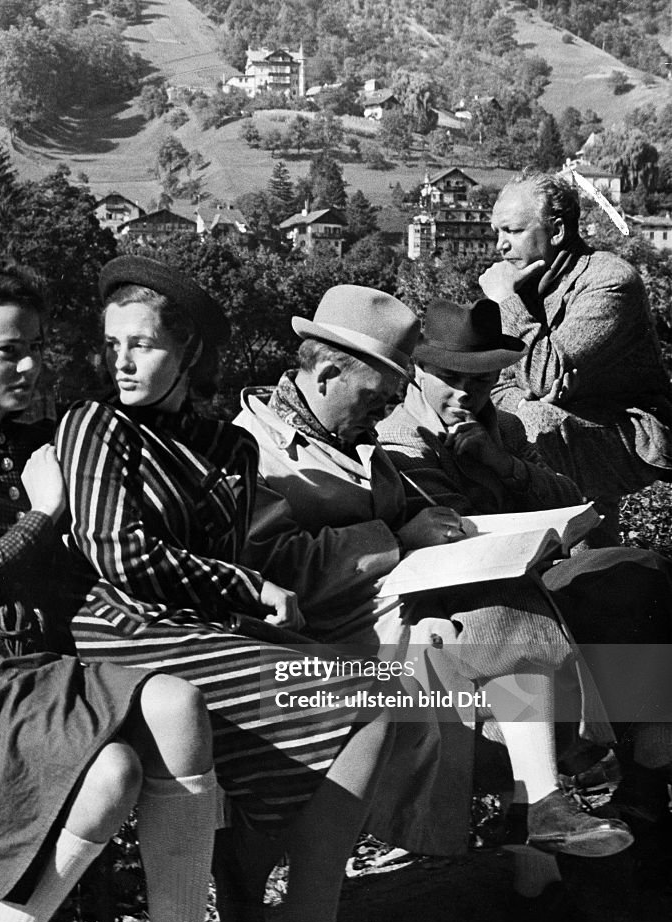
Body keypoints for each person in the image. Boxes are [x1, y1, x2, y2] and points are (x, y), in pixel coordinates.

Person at [53, 256, 406, 922]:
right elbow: (121, 554)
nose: (121, 360)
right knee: (369, 699)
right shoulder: (95, 425)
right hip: (122, 638)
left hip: (209, 637)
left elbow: (241, 557)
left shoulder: (230, 449)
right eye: (111, 343)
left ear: (188, 353)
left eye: (142, 344)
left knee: (381, 694)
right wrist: (249, 591)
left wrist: (258, 595)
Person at [0, 262, 238, 922]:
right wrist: (41, 514)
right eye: (7, 350)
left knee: (171, 714)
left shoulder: (44, 440)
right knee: (124, 757)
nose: (30, 365)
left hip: (28, 669)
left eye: (38, 348)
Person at [234, 283, 630, 862]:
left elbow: (406, 505)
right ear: (324, 378)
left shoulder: (352, 439)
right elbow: (274, 565)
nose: (389, 411)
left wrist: (430, 519)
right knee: (499, 610)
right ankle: (549, 798)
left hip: (401, 621)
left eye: (396, 397)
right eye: (379, 396)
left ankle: (544, 809)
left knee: (532, 597)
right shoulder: (255, 452)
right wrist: (396, 538)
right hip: (325, 641)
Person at [378, 295, 672, 826]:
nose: (467, 395)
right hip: (460, 595)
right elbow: (451, 535)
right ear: (420, 371)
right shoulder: (401, 439)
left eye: (482, 382)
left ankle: (647, 772)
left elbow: (565, 493)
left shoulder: (503, 427)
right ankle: (553, 797)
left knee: (636, 570)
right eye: (452, 378)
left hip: (530, 571)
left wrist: (504, 467)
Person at [479, 168, 672, 545]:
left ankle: (574, 563)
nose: (500, 245)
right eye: (497, 233)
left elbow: (542, 375)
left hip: (636, 433)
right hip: (570, 421)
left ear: (556, 231)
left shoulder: (609, 281)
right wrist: (523, 398)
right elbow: (492, 382)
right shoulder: (523, 284)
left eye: (513, 231)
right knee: (492, 421)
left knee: (535, 424)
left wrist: (505, 304)